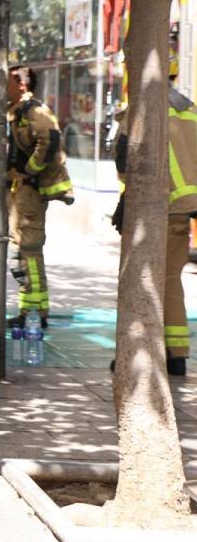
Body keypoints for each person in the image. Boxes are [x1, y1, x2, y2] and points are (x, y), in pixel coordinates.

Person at [113, 56, 194, 376]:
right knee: (171, 279)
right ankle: (177, 355)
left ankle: (135, 351)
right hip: (183, 209)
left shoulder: (139, 111)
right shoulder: (190, 111)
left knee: (137, 279)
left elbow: (123, 159)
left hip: (151, 208)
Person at [6, 66, 73, 329]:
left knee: (29, 251)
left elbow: (50, 140)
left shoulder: (33, 111)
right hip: (18, 192)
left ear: (22, 84)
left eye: (8, 82)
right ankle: (32, 310)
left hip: (28, 192)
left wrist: (27, 171)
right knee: (21, 250)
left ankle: (34, 313)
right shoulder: (16, 112)